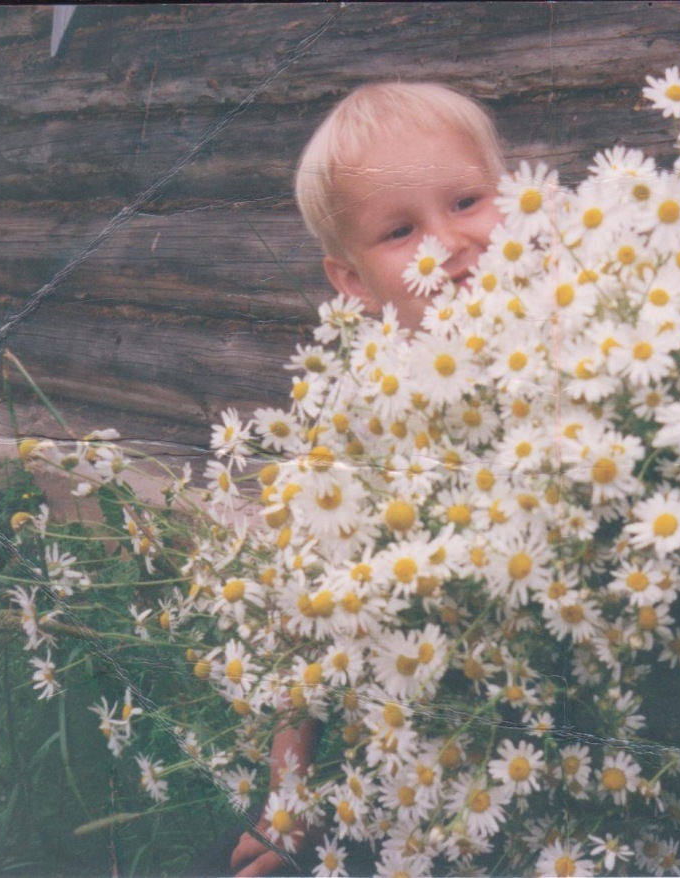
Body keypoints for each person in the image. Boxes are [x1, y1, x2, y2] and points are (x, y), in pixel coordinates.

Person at [225, 81, 507, 878]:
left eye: (466, 201)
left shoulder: (586, 356)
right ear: (350, 281)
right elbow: (306, 625)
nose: (448, 243)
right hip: (408, 764)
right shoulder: (352, 426)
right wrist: (287, 800)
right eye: (399, 231)